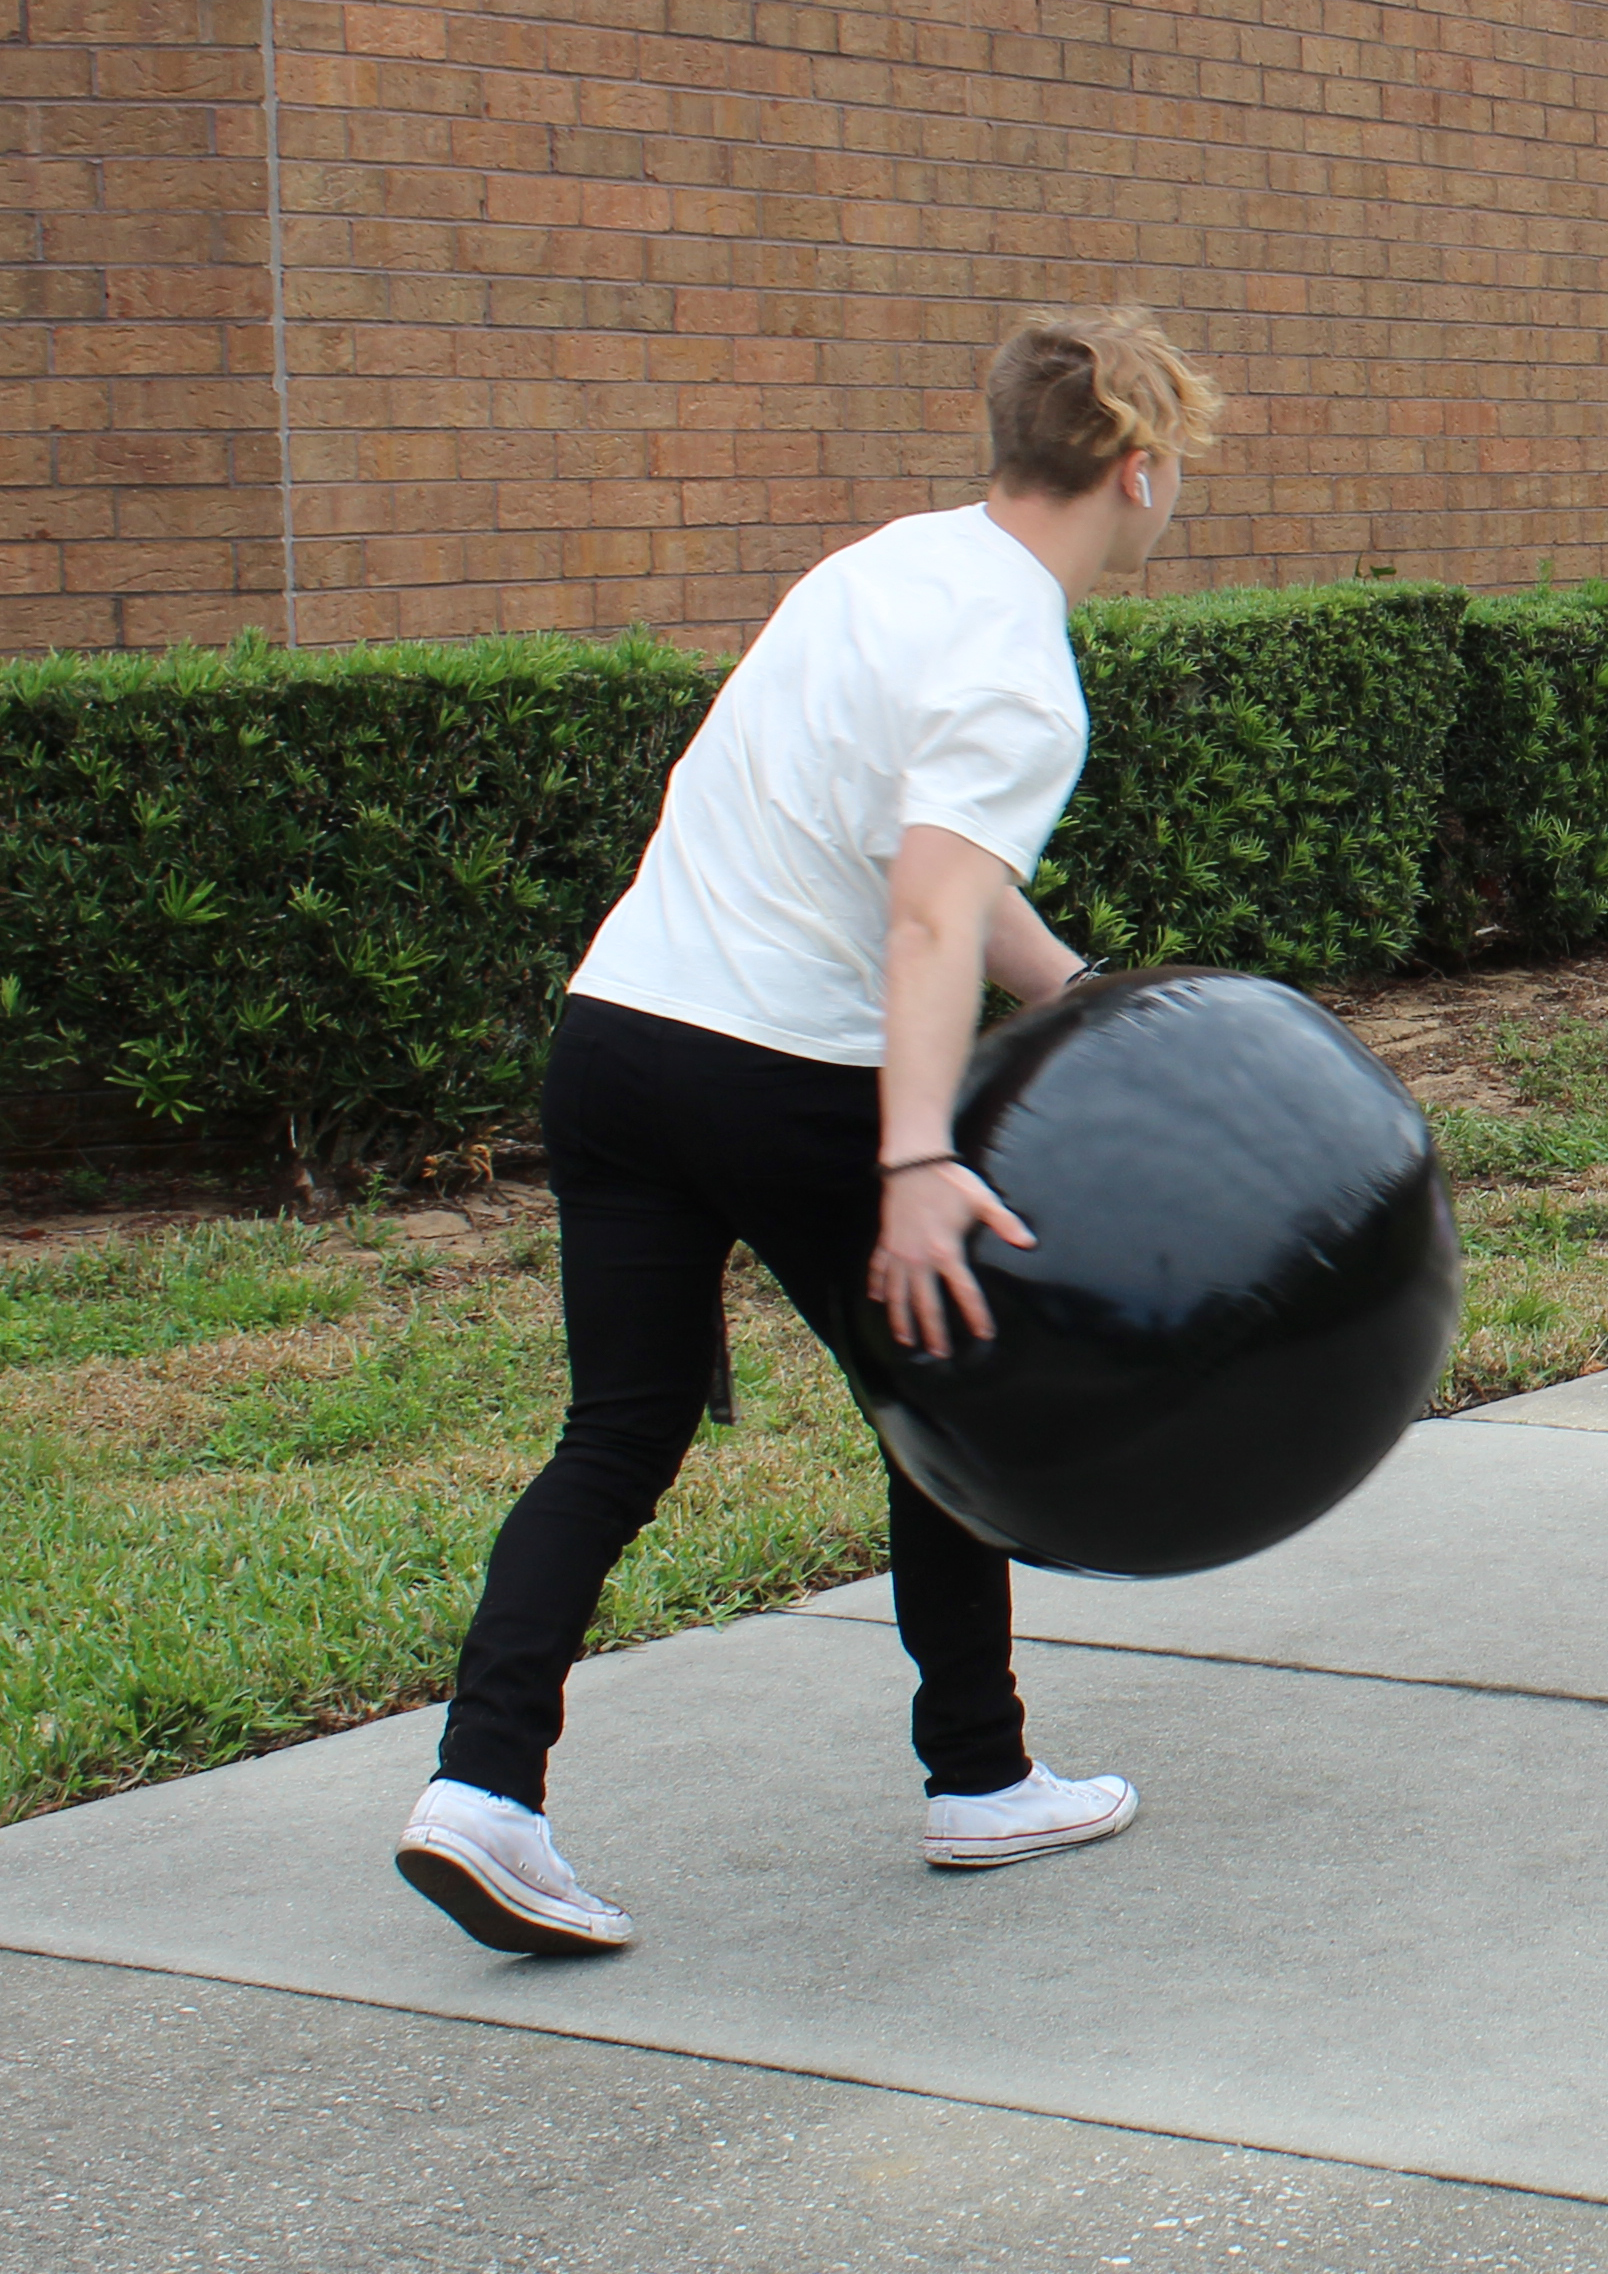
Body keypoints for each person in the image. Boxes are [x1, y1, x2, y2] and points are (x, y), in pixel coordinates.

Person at [392, 309, 1224, 1956]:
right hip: (781, 1075)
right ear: (1137, 469)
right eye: (1177, 465)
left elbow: (911, 862)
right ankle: (979, 1779)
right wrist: (917, 1159)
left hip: (617, 1041)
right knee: (940, 1392)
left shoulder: (876, 572)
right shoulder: (1020, 668)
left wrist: (1070, 988)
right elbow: (924, 915)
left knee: (618, 1432)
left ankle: (479, 1791)